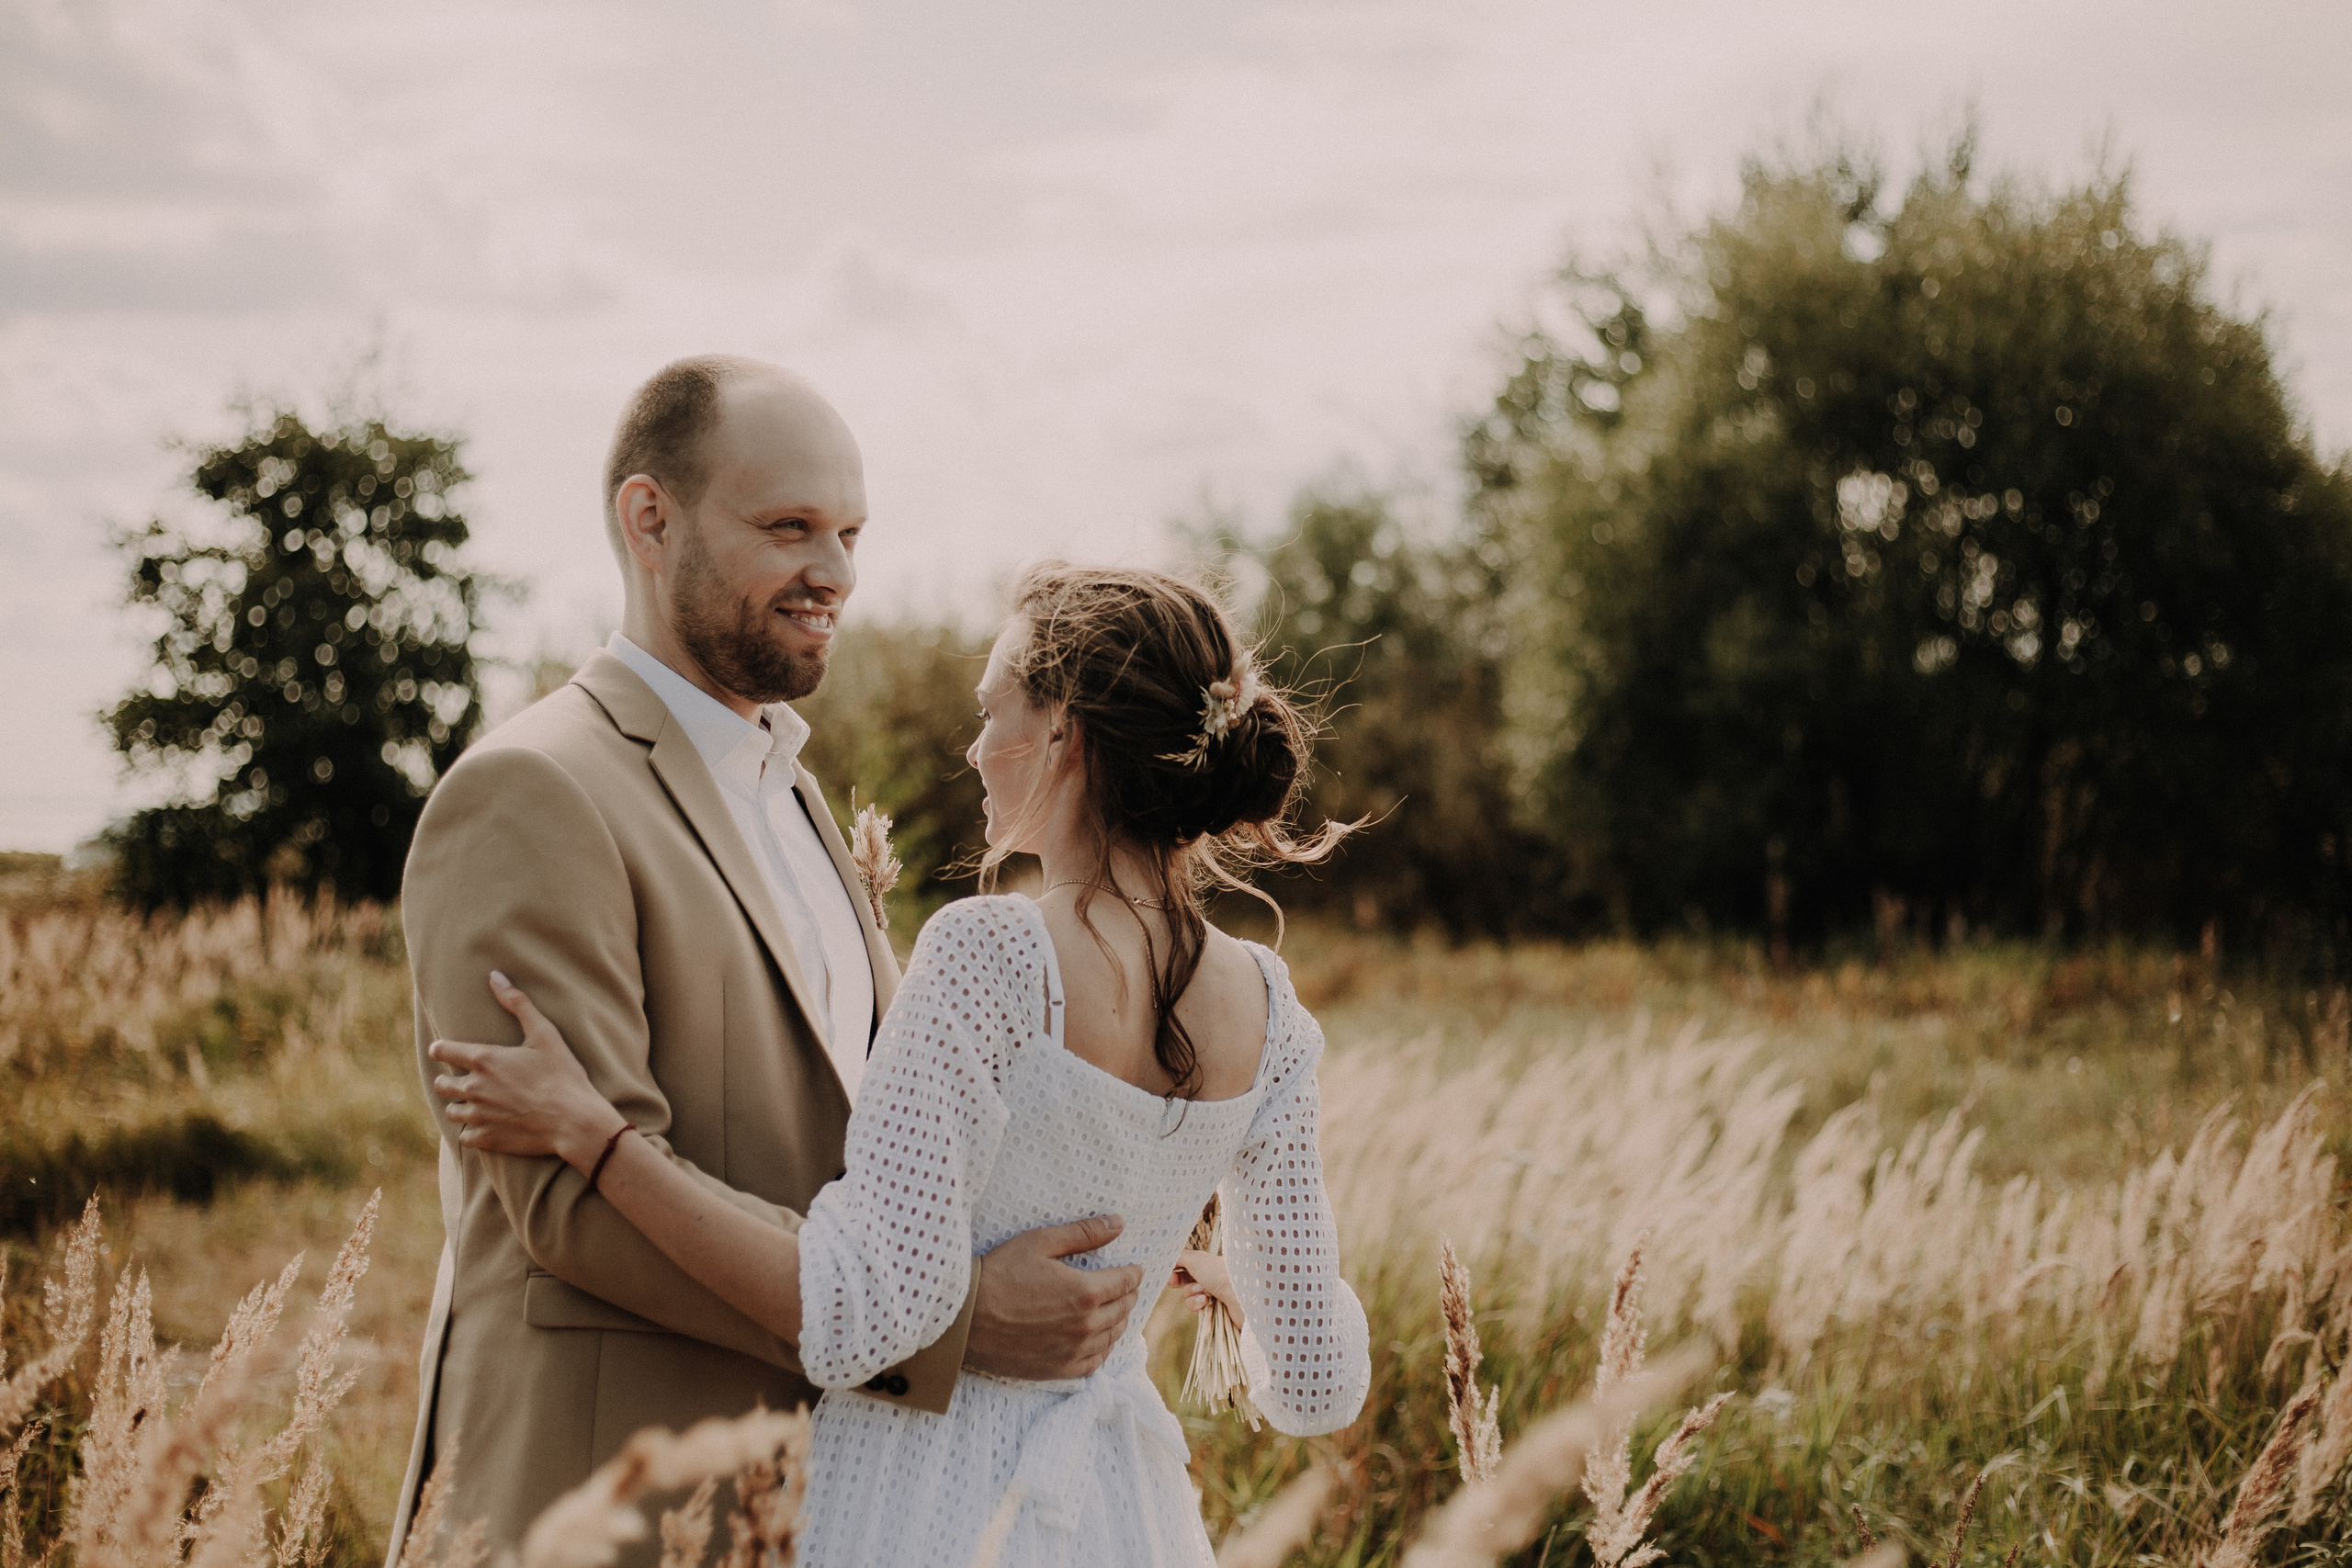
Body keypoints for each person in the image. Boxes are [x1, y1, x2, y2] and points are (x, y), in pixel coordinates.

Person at [430, 561, 1373, 1565]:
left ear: (1064, 734)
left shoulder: (995, 955)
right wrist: (1230, 1283)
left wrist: (598, 1137)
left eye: (991, 710)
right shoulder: (1273, 1013)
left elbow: (851, 1315)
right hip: (1120, 1517)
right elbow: (1319, 1388)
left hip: (926, 1505)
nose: (973, 751)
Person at [387, 358, 1148, 1568]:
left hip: (820, 1500)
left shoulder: (788, 787)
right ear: (650, 520)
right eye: (788, 526)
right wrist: (954, 1324)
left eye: (849, 531)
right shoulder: (532, 791)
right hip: (604, 1504)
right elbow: (568, 1204)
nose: (836, 570)